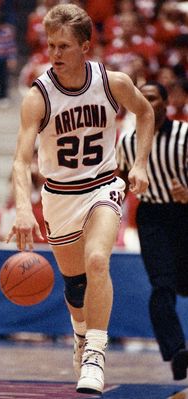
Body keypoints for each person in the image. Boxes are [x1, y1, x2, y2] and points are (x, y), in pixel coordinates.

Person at [7, 3, 154, 395]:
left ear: (85, 47)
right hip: (58, 196)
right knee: (75, 288)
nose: (54, 54)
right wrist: (24, 209)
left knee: (96, 261)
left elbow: (145, 112)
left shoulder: (113, 82)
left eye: (64, 46)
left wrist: (139, 164)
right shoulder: (38, 96)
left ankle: (95, 354)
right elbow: (21, 162)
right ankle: (80, 335)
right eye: (50, 45)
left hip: (103, 185)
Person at [117, 82, 188, 381]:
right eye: (141, 98)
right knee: (162, 286)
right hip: (151, 218)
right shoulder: (127, 142)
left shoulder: (184, 135)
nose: (147, 103)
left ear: (165, 103)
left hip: (185, 214)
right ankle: (177, 352)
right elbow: (119, 179)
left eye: (152, 98)